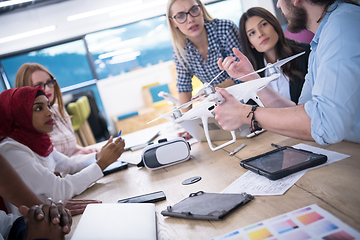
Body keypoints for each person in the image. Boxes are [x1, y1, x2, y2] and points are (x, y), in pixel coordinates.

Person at [215, 0, 360, 145]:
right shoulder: (320, 42)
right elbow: (301, 115)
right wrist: (252, 78)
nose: (278, 5)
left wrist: (244, 113)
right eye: (252, 33)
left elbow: (324, 125)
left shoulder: (341, 26)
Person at [0, 86, 125, 214]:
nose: (50, 112)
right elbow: (59, 190)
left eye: (48, 106)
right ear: (18, 114)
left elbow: (68, 164)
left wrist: (99, 155)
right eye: (38, 108)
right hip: (32, 228)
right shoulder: (11, 150)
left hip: (52, 217)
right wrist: (102, 163)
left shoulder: (36, 141)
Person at [166, 0, 242, 111]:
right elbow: (184, 89)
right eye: (181, 16)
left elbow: (242, 74)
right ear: (173, 22)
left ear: (201, 9)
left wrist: (213, 91)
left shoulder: (224, 29)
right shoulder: (181, 51)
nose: (190, 19)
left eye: (194, 10)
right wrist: (188, 122)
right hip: (222, 107)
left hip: (246, 97)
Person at [15, 63, 98, 157]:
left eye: (49, 82)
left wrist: (88, 151)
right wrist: (77, 157)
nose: (47, 89)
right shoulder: (26, 126)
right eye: (39, 85)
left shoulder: (57, 109)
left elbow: (71, 147)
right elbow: (48, 166)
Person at [238, 7, 310, 104]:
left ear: (274, 25)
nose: (260, 34)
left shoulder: (306, 53)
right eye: (252, 33)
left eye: (263, 25)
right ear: (250, 43)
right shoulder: (253, 72)